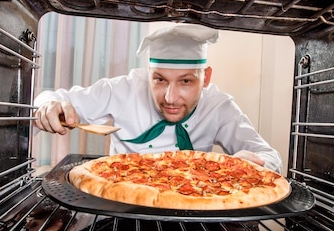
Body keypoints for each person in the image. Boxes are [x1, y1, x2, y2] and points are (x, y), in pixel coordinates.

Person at [34, 23, 283, 173]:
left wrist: (254, 164)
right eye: (159, 79)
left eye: (186, 81)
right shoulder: (126, 88)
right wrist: (47, 106)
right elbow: (53, 97)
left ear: (205, 78)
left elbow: (270, 157)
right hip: (121, 202)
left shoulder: (219, 106)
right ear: (148, 74)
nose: (170, 97)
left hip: (192, 207)